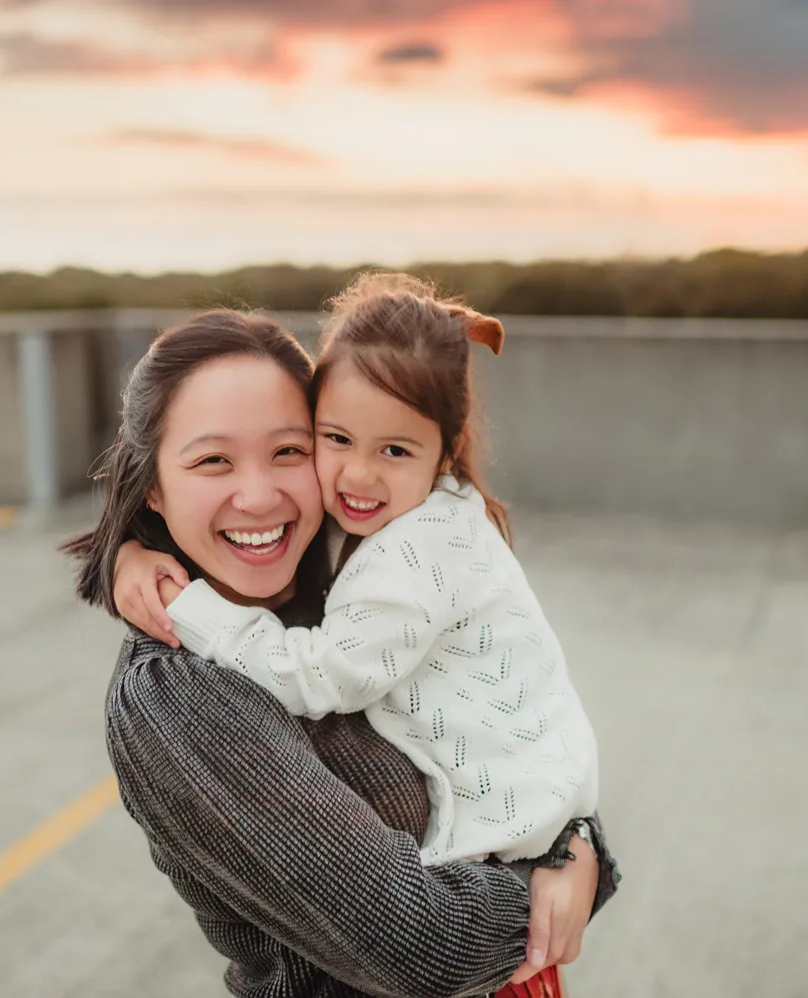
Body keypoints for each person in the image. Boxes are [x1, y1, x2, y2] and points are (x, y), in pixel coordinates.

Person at [67, 308, 618, 997]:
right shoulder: (179, 693)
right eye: (213, 460)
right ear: (152, 483)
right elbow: (423, 947)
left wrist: (579, 841)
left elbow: (506, 727)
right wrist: (554, 879)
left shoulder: (345, 572)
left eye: (290, 451)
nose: (261, 494)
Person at [147, 273, 600, 882]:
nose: (357, 477)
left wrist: (187, 605)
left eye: (394, 451)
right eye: (335, 439)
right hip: (550, 817)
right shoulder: (420, 510)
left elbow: (312, 676)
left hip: (512, 855)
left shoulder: (415, 553)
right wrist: (131, 553)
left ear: (444, 450)